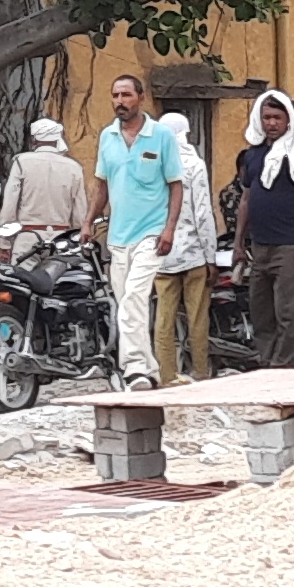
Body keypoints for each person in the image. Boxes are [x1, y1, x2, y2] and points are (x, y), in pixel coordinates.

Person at [92, 72, 194, 390]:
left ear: (140, 97)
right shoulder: (107, 137)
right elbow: (101, 186)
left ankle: (134, 368)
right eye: (115, 96)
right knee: (126, 304)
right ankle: (149, 369)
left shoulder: (160, 136)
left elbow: (175, 186)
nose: (120, 102)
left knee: (135, 295)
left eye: (126, 95)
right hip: (118, 236)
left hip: (151, 232)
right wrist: (86, 223)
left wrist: (169, 229)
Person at [230, 89, 294, 371]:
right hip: (260, 245)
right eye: (266, 117)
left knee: (288, 311)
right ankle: (267, 362)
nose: (271, 123)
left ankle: (284, 367)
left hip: (290, 244)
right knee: (260, 308)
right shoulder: (253, 155)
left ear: (288, 120)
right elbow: (246, 199)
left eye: (277, 117)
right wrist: (239, 243)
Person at [154, 99, 219, 380]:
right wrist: (211, 256)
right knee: (197, 318)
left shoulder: (152, 164)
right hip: (193, 253)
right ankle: (201, 373)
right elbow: (203, 212)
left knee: (163, 320)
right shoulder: (194, 164)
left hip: (162, 253)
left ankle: (167, 375)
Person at [0, 109, 95, 255]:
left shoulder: (21, 162)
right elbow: (79, 211)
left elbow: (9, 206)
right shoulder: (74, 167)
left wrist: (5, 243)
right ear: (58, 139)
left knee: (24, 277)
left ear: (34, 140)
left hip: (28, 238)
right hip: (61, 239)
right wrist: (77, 239)